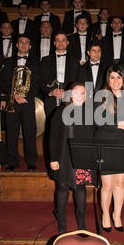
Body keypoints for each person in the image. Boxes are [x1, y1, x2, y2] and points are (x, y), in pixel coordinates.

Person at [49, 82, 97, 233]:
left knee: (80, 188)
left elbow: (95, 136)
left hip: (82, 157)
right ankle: (61, 220)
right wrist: (53, 159)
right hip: (63, 156)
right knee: (62, 187)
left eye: (82, 93)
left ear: (86, 96)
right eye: (76, 93)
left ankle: (81, 222)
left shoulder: (90, 113)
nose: (79, 96)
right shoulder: (60, 111)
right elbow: (52, 138)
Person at [95, 65, 124, 232]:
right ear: (107, 79)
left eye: (119, 77)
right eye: (112, 78)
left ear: (123, 79)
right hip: (105, 143)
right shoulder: (100, 97)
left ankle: (117, 215)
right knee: (107, 185)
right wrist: (116, 124)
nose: (115, 81)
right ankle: (105, 215)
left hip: (122, 144)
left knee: (120, 183)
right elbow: (96, 120)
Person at [0, 34, 41, 171]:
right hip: (12, 101)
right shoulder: (7, 61)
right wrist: (9, 96)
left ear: (30, 46)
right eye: (21, 42)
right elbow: (3, 81)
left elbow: (36, 83)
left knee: (30, 132)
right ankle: (12, 161)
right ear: (17, 45)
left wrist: (26, 96)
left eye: (26, 42)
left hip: (27, 102)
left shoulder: (35, 62)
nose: (23, 44)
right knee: (11, 133)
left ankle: (31, 161)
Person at [41, 30, 80, 118]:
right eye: (58, 40)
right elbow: (41, 80)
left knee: (69, 126)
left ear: (67, 42)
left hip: (70, 97)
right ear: (54, 43)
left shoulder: (75, 60)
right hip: (51, 97)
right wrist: (51, 91)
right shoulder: (45, 60)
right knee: (52, 125)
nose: (61, 42)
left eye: (63, 40)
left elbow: (78, 80)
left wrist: (69, 91)